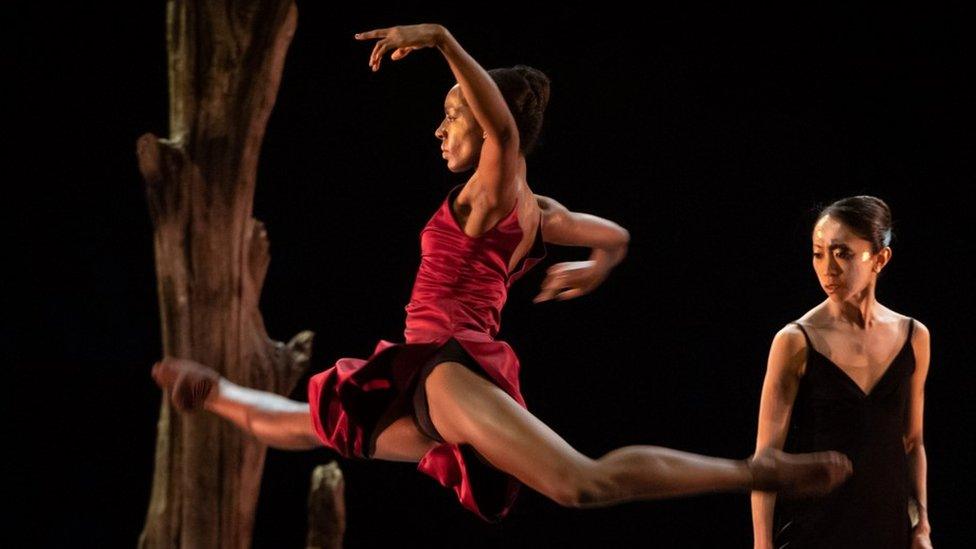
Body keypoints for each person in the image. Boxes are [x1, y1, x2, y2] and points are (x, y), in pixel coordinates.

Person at [152, 23, 852, 523]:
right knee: (313, 424)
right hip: (425, 374)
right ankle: (217, 393)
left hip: (446, 369)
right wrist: (598, 262)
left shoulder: (493, 189)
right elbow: (616, 233)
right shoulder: (537, 211)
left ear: (489, 128)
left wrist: (444, 41)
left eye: (454, 115)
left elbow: (508, 138)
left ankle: (758, 470)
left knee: (582, 484)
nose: (440, 128)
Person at [751, 196, 933, 548]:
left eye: (842, 253)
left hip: (888, 529)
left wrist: (921, 525)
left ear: (880, 259)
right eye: (818, 253)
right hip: (817, 531)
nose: (827, 269)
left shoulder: (915, 337)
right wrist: (762, 545)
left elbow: (912, 443)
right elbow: (765, 460)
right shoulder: (796, 340)